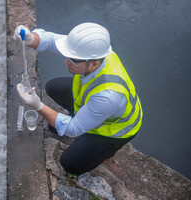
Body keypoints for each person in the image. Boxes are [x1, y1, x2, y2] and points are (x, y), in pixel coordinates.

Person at [14, 23, 143, 176]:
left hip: (112, 131)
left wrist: (38, 105)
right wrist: (31, 38)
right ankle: (82, 119)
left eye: (73, 60)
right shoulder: (95, 53)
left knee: (70, 163)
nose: (66, 61)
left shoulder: (109, 97)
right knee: (53, 87)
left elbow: (73, 130)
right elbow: (53, 40)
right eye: (68, 56)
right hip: (97, 105)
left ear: (94, 64)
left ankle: (106, 153)